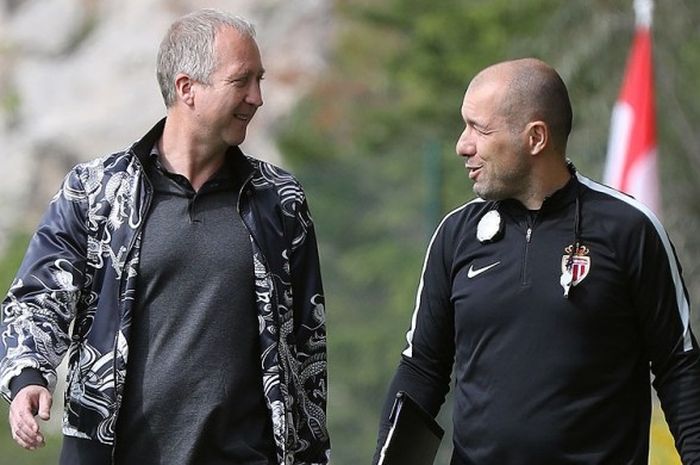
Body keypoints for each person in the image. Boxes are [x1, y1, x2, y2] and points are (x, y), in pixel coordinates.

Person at [0, 8, 329, 465]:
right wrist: (28, 377)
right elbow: (37, 299)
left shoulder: (280, 201)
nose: (257, 98)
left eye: (261, 80)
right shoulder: (96, 191)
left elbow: (306, 349)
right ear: (186, 88)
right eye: (242, 81)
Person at [373, 58, 700, 464]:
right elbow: (421, 371)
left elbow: (679, 366)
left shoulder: (629, 229)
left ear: (536, 137)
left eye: (480, 128)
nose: (463, 144)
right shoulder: (454, 235)